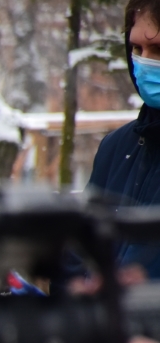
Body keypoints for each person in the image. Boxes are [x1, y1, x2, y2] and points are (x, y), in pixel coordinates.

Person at [88, 0, 160, 283]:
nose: (144, 62)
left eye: (158, 49)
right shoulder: (116, 147)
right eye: (137, 49)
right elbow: (81, 257)